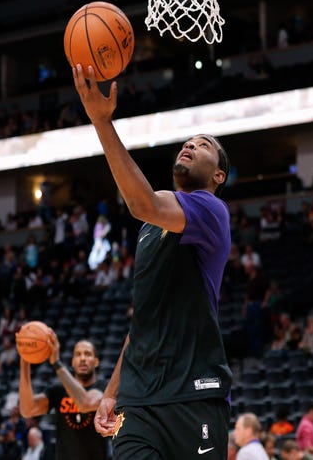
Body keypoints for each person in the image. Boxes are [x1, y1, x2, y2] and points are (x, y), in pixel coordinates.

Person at [73, 63, 233, 459]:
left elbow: (141, 201)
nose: (191, 145)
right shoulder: (149, 227)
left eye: (205, 145)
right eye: (189, 141)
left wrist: (101, 122)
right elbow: (143, 320)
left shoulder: (211, 211)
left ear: (219, 177)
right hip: (139, 401)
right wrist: (111, 393)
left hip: (193, 394)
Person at [18, 334, 108, 460]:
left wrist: (57, 364)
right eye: (78, 354)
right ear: (72, 362)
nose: (83, 358)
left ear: (96, 361)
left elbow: (86, 401)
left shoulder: (104, 388)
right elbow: (27, 410)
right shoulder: (58, 390)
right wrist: (24, 362)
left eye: (87, 354)